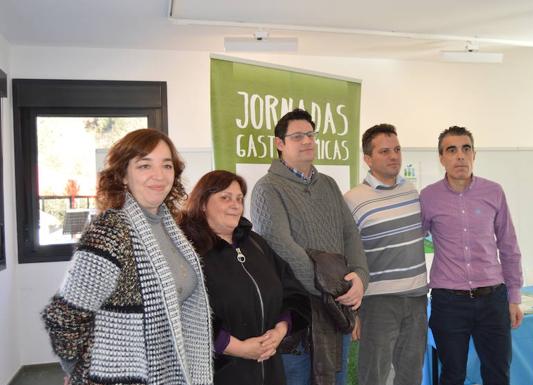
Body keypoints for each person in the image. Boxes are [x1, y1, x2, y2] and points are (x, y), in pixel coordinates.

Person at [41, 129, 213, 385]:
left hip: (169, 371)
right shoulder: (111, 231)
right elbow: (64, 317)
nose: (159, 175)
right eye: (144, 165)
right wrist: (80, 372)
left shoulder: (169, 227)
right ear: (122, 175)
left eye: (166, 165)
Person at [251, 108, 369, 385]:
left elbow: (350, 234)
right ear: (280, 144)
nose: (307, 141)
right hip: (297, 316)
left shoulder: (328, 184)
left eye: (311, 135)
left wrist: (361, 278)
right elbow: (281, 247)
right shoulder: (267, 188)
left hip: (336, 312)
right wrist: (334, 290)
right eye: (298, 136)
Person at [178, 170, 309, 385]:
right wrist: (238, 348)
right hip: (220, 373)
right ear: (202, 203)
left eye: (239, 199)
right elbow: (186, 313)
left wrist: (279, 331)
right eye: (225, 198)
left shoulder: (256, 244)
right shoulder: (188, 251)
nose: (235, 205)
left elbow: (293, 293)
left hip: (270, 368)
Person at [420, 126, 524, 385]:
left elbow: (509, 246)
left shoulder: (493, 192)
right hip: (449, 303)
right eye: (451, 150)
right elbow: (412, 244)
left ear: (474, 154)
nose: (460, 156)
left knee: (498, 373)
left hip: (493, 300)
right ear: (441, 158)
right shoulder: (428, 197)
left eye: (466, 149)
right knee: (453, 375)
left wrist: (514, 297)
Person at [343, 124, 428, 385]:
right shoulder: (353, 200)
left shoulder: (412, 192)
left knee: (411, 377)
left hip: (416, 300)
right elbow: (346, 257)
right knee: (374, 377)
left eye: (397, 149)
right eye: (384, 151)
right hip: (377, 304)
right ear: (368, 159)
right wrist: (352, 312)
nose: (394, 156)